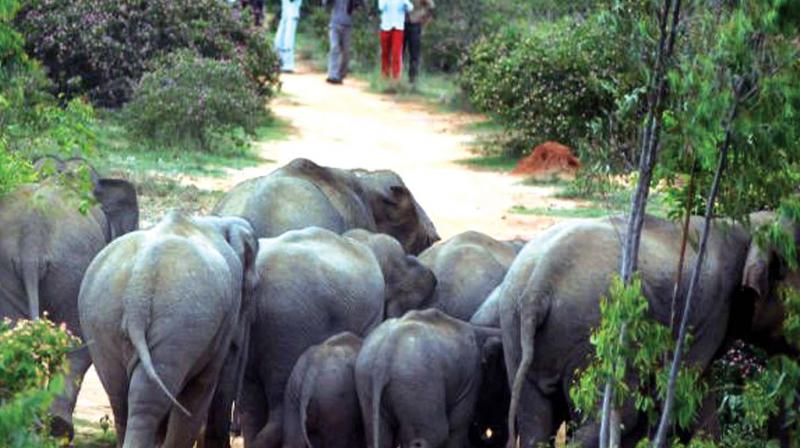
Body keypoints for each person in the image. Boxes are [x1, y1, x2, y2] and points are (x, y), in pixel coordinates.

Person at [323, 0, 363, 84]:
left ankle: (341, 74)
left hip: (347, 25)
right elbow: (325, 3)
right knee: (334, 48)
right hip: (334, 24)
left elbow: (359, 6)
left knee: (346, 52)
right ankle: (333, 74)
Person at [378, 0, 413, 79]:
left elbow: (410, 8)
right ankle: (384, 75)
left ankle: (396, 77)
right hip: (386, 26)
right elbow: (381, 7)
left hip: (398, 27)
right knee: (385, 52)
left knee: (396, 53)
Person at [403, 0, 434, 83]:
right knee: (399, 52)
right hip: (401, 23)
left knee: (414, 54)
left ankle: (412, 79)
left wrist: (424, 21)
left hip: (415, 24)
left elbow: (431, 7)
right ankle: (396, 79)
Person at [275, 0, 303, 72]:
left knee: (288, 40)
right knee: (279, 40)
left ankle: (288, 65)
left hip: (292, 13)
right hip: (285, 14)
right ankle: (278, 62)